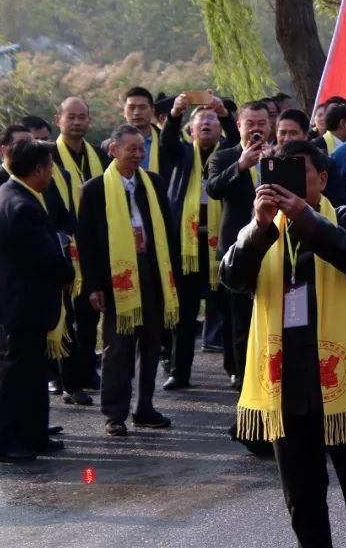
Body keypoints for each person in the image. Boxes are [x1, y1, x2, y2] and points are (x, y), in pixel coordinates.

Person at [219, 140, 346, 547]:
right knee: (303, 498)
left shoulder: (345, 217)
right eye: (277, 175)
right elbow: (232, 278)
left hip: (342, 377)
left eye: (298, 174)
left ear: (323, 178)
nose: (286, 186)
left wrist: (306, 219)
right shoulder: (259, 227)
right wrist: (260, 228)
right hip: (286, 381)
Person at [77, 125, 180, 437]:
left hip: (152, 271)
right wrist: (93, 285)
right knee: (118, 347)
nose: (138, 154)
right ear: (113, 150)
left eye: (141, 149)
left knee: (151, 345)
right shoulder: (95, 189)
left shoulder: (154, 184)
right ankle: (114, 413)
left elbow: (168, 233)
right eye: (130, 149)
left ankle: (144, 408)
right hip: (116, 277)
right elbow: (87, 241)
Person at [0, 139, 75, 462]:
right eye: (50, 167)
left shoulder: (10, 194)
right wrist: (69, 270)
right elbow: (46, 258)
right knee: (16, 375)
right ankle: (5, 442)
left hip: (22, 301)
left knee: (33, 372)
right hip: (22, 302)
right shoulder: (21, 205)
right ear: (39, 169)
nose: (52, 174)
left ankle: (34, 434)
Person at [160, 92, 239, 389]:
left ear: (219, 128)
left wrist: (224, 114)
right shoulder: (181, 155)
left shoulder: (229, 156)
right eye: (200, 120)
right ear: (190, 130)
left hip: (222, 246)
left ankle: (234, 368)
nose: (206, 123)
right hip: (188, 249)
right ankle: (179, 372)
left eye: (211, 119)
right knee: (185, 315)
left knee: (229, 311)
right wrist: (176, 112)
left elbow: (237, 138)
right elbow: (167, 140)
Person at [207, 100, 273, 387]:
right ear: (239, 126)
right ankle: (240, 370)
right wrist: (241, 165)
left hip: (273, 243)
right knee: (237, 312)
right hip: (237, 244)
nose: (256, 129)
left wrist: (274, 164)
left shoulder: (279, 155)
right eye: (250, 124)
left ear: (269, 126)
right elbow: (214, 189)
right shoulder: (224, 157)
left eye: (261, 123)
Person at [53, 96, 110, 390]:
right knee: (66, 317)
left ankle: (88, 369)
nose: (76, 123)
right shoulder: (47, 156)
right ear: (58, 120)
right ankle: (68, 378)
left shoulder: (100, 156)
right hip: (61, 247)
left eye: (82, 117)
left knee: (90, 315)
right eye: (70, 117)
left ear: (89, 120)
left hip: (94, 246)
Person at [275, 109, 346, 207]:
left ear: (305, 134)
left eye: (293, 133)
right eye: (282, 133)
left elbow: (339, 201)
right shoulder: (270, 163)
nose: (287, 138)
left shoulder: (324, 162)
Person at [123, 86, 165, 177]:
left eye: (142, 107)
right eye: (132, 108)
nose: (137, 112)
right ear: (124, 112)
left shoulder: (167, 143)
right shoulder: (110, 146)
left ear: (152, 111)